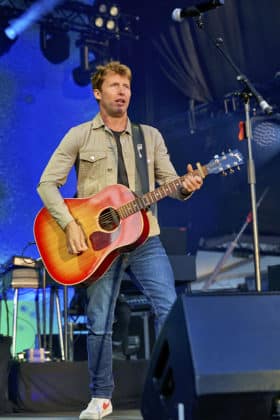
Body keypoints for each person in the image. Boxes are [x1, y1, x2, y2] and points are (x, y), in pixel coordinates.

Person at [37, 61, 203, 420]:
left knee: (169, 309)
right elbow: (46, 184)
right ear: (98, 93)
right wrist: (69, 225)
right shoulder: (80, 135)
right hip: (98, 247)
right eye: (114, 85)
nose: (122, 91)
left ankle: (170, 388)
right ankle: (101, 396)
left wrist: (186, 188)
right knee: (100, 321)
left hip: (145, 238)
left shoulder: (150, 137)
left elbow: (171, 182)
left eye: (126, 86)